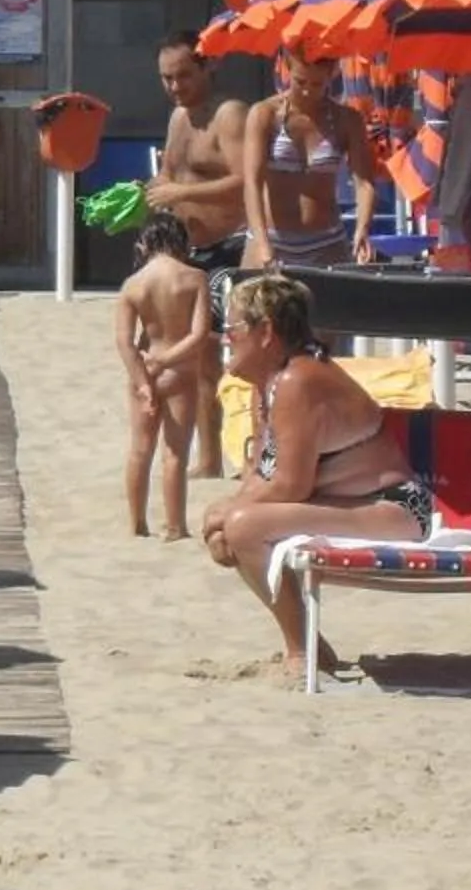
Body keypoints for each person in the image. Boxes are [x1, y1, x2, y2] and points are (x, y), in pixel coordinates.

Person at [199, 273, 437, 683]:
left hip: (397, 508)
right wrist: (225, 510)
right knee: (235, 524)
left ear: (266, 332)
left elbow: (291, 486)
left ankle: (303, 649)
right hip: (357, 504)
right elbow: (260, 473)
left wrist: (231, 513)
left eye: (232, 327)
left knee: (243, 527)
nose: (224, 337)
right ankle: (310, 646)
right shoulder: (269, 383)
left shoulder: (299, 380)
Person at [145, 36, 247, 473]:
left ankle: (243, 450)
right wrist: (147, 195)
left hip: (231, 245)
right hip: (188, 250)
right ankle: (207, 459)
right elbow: (168, 174)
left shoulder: (230, 115)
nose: (174, 85)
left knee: (239, 355)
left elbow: (247, 179)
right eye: (166, 78)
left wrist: (182, 190)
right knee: (199, 358)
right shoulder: (177, 119)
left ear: (209, 68)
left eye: (184, 75)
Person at [239, 44, 377, 271]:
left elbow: (364, 183)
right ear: (287, 68)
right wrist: (262, 243)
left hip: (326, 241)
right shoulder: (265, 115)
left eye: (317, 84)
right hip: (271, 238)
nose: (307, 91)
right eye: (299, 82)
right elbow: (252, 183)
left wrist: (363, 227)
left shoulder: (347, 119)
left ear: (332, 73)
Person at [116, 217, 212, 538]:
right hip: (179, 370)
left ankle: (136, 522)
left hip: (143, 368)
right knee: (175, 454)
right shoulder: (194, 278)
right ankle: (174, 526)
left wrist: (144, 381)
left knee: (140, 450)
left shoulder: (133, 284)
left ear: (145, 244)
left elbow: (125, 342)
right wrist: (166, 360)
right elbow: (199, 336)